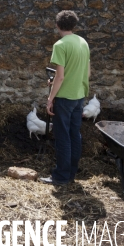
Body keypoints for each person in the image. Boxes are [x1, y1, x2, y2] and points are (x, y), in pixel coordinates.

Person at [41, 10, 90, 186]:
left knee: (63, 137)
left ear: (57, 25)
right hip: (79, 96)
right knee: (74, 135)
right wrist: (56, 81)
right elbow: (86, 71)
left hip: (64, 98)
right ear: (74, 25)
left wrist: (50, 98)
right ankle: (71, 174)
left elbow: (60, 77)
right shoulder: (82, 42)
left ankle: (60, 177)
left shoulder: (60, 45)